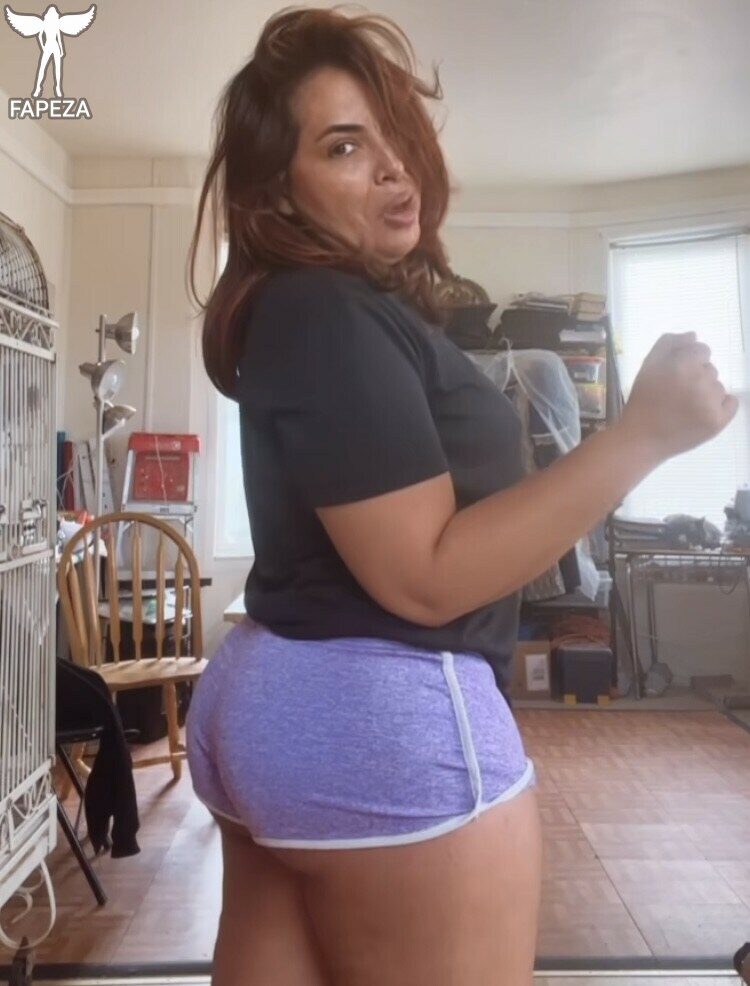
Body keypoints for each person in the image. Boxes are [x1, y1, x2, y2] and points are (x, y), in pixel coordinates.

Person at [185, 8, 737, 986]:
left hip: (273, 700)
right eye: (344, 146)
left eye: (395, 133)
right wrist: (643, 433)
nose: (392, 166)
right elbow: (425, 575)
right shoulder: (323, 307)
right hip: (378, 720)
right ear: (278, 192)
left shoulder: (324, 309)